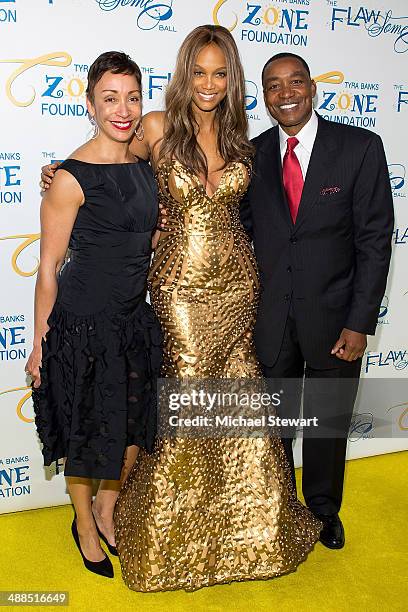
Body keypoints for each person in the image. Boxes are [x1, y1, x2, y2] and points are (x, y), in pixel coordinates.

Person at [114, 26, 321, 592]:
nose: (208, 84)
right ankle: (168, 540)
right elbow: (109, 169)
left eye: (220, 73)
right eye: (199, 72)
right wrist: (65, 175)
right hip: (180, 287)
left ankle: (249, 533)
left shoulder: (241, 138)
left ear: (233, 79)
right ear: (185, 74)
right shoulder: (155, 128)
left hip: (237, 286)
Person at [239, 52, 394, 549]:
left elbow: (375, 241)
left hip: (334, 321)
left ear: (312, 87)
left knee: (328, 426)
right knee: (277, 427)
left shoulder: (359, 148)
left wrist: (360, 322)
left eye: (295, 82)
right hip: (270, 319)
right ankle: (281, 509)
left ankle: (324, 511)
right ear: (263, 96)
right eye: (273, 85)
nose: (286, 93)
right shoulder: (252, 155)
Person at [26, 51, 162, 579]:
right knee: (85, 433)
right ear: (89, 104)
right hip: (81, 324)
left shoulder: (146, 161)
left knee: (129, 429)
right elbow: (47, 268)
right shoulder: (69, 178)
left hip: (133, 321)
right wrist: (41, 343)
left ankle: (107, 509)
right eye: (109, 98)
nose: (122, 110)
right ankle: (83, 523)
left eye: (131, 97)